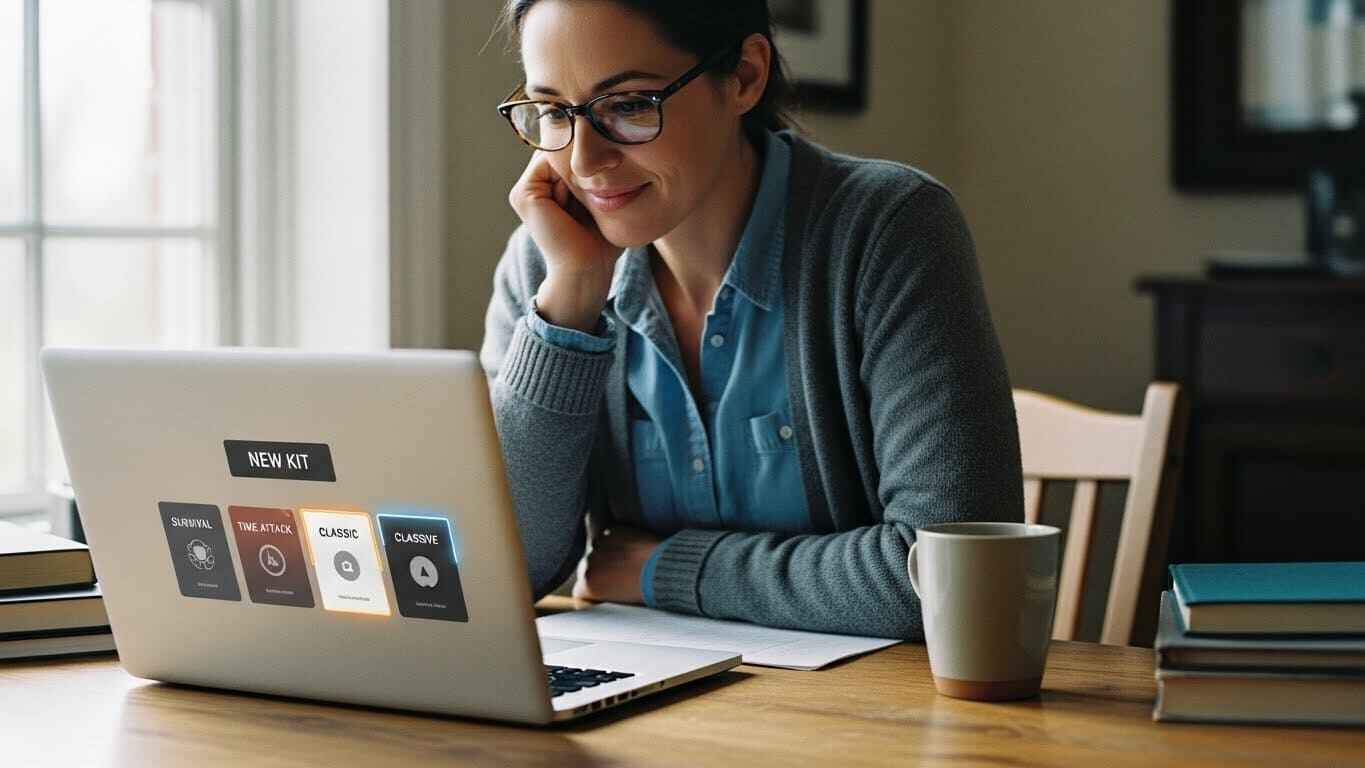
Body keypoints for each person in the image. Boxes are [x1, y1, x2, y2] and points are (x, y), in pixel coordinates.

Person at [480, 0, 1022, 639]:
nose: (583, 161)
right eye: (552, 112)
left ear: (743, 76)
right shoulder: (549, 262)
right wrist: (568, 302)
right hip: (652, 710)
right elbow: (499, 576)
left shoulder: (887, 229)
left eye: (628, 106)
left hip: (874, 720)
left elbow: (952, 576)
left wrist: (666, 569)